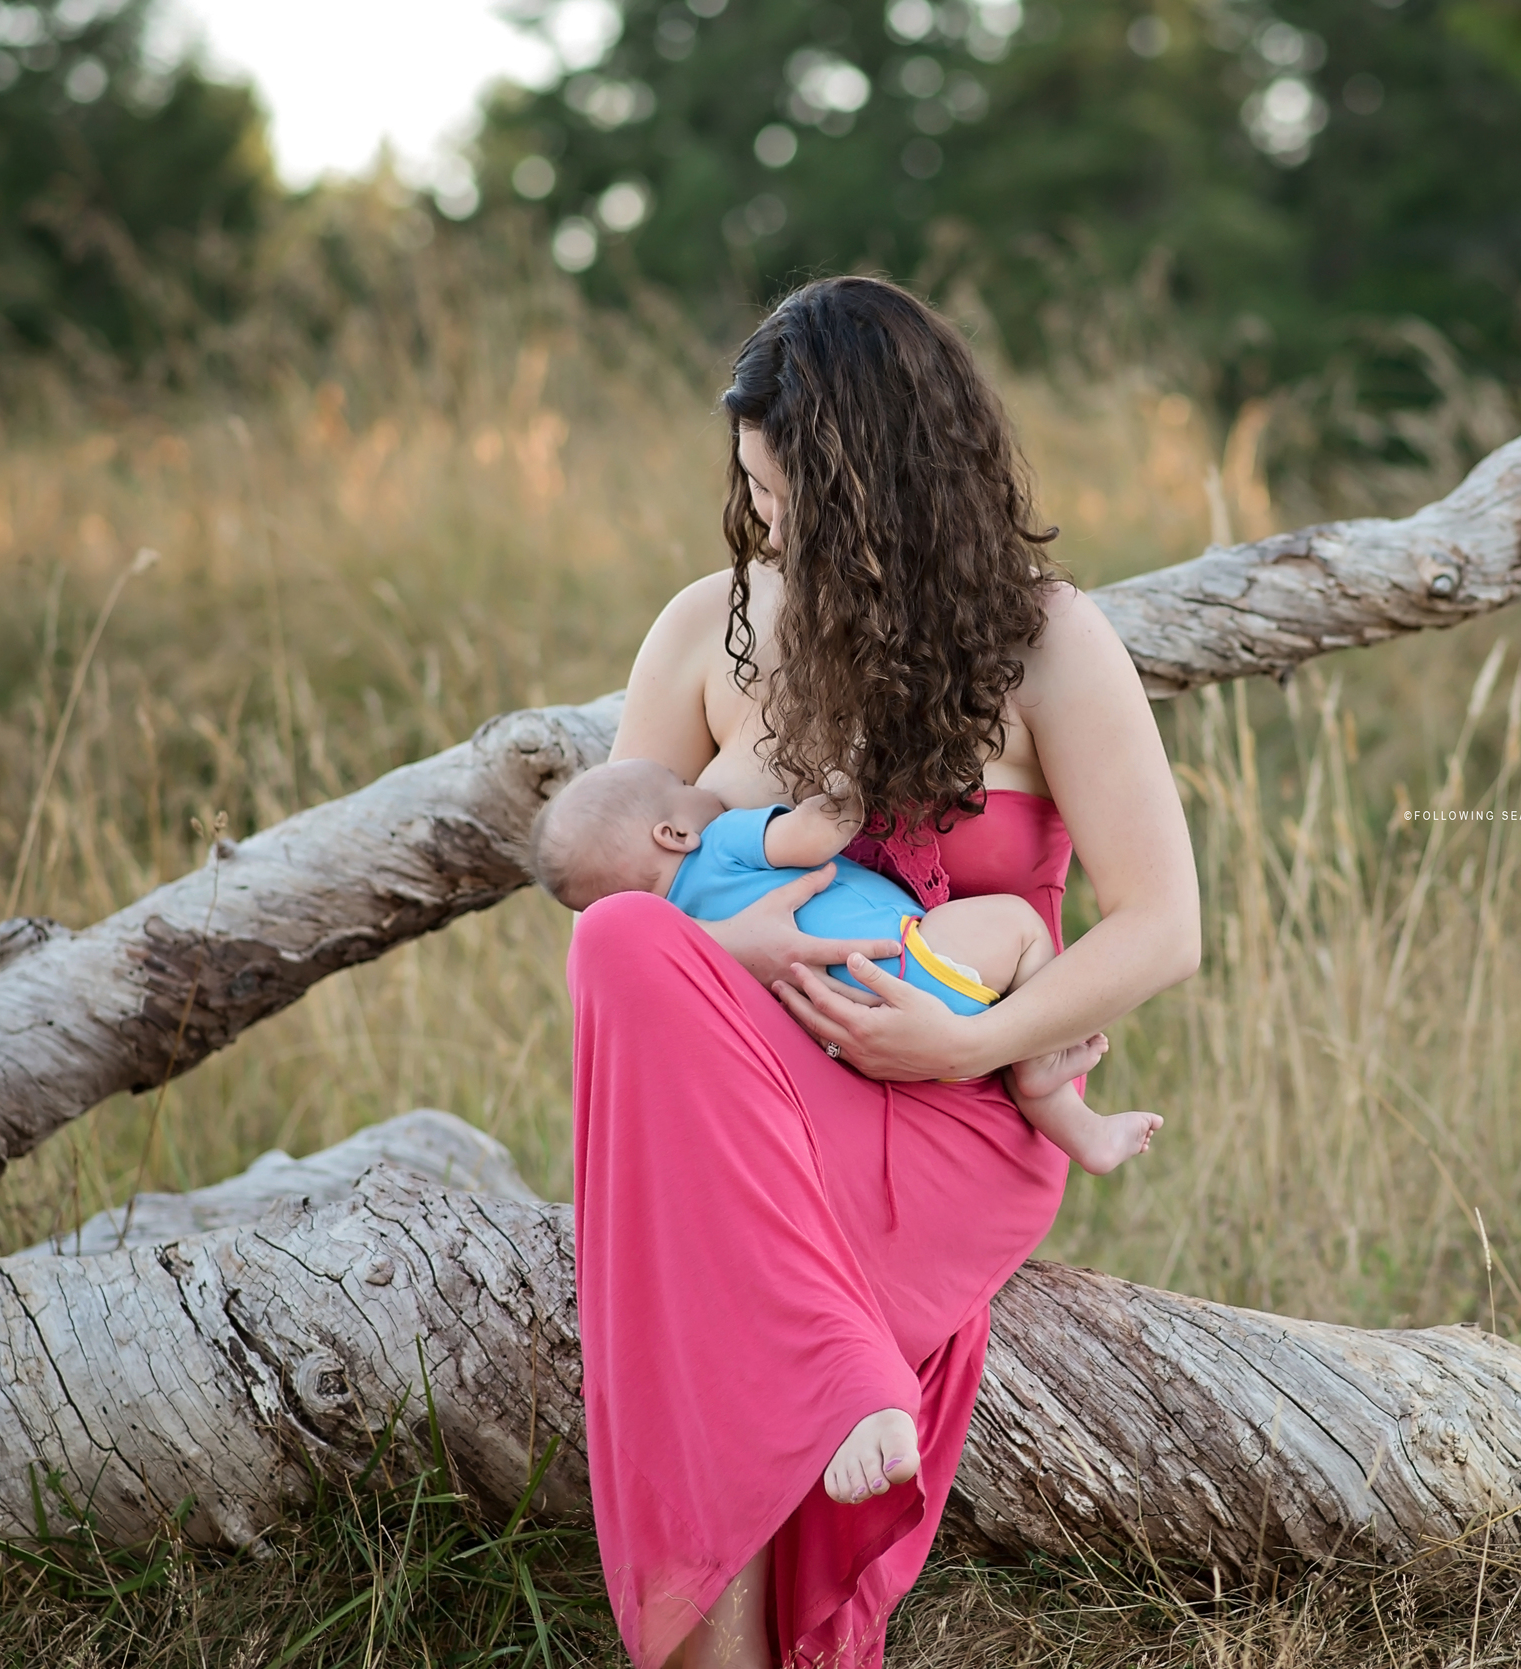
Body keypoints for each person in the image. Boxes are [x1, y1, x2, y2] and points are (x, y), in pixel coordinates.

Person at [564, 273, 1199, 1669]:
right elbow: (630, 891)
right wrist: (748, 943)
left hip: (958, 1096)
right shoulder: (704, 631)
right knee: (614, 944)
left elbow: (1161, 926)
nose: (765, 516)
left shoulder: (1044, 641)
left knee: (684, 1245)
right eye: (750, 484)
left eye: (784, 488)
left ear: (876, 486)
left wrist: (968, 1046)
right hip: (751, 1071)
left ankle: (830, 1395)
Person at [535, 755, 1164, 1174]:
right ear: (673, 834)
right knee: (1020, 925)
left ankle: (1075, 1125)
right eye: (686, 790)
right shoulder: (723, 840)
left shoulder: (682, 929)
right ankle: (1042, 1073)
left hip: (850, 1033)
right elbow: (813, 835)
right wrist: (851, 778)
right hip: (911, 965)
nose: (705, 791)